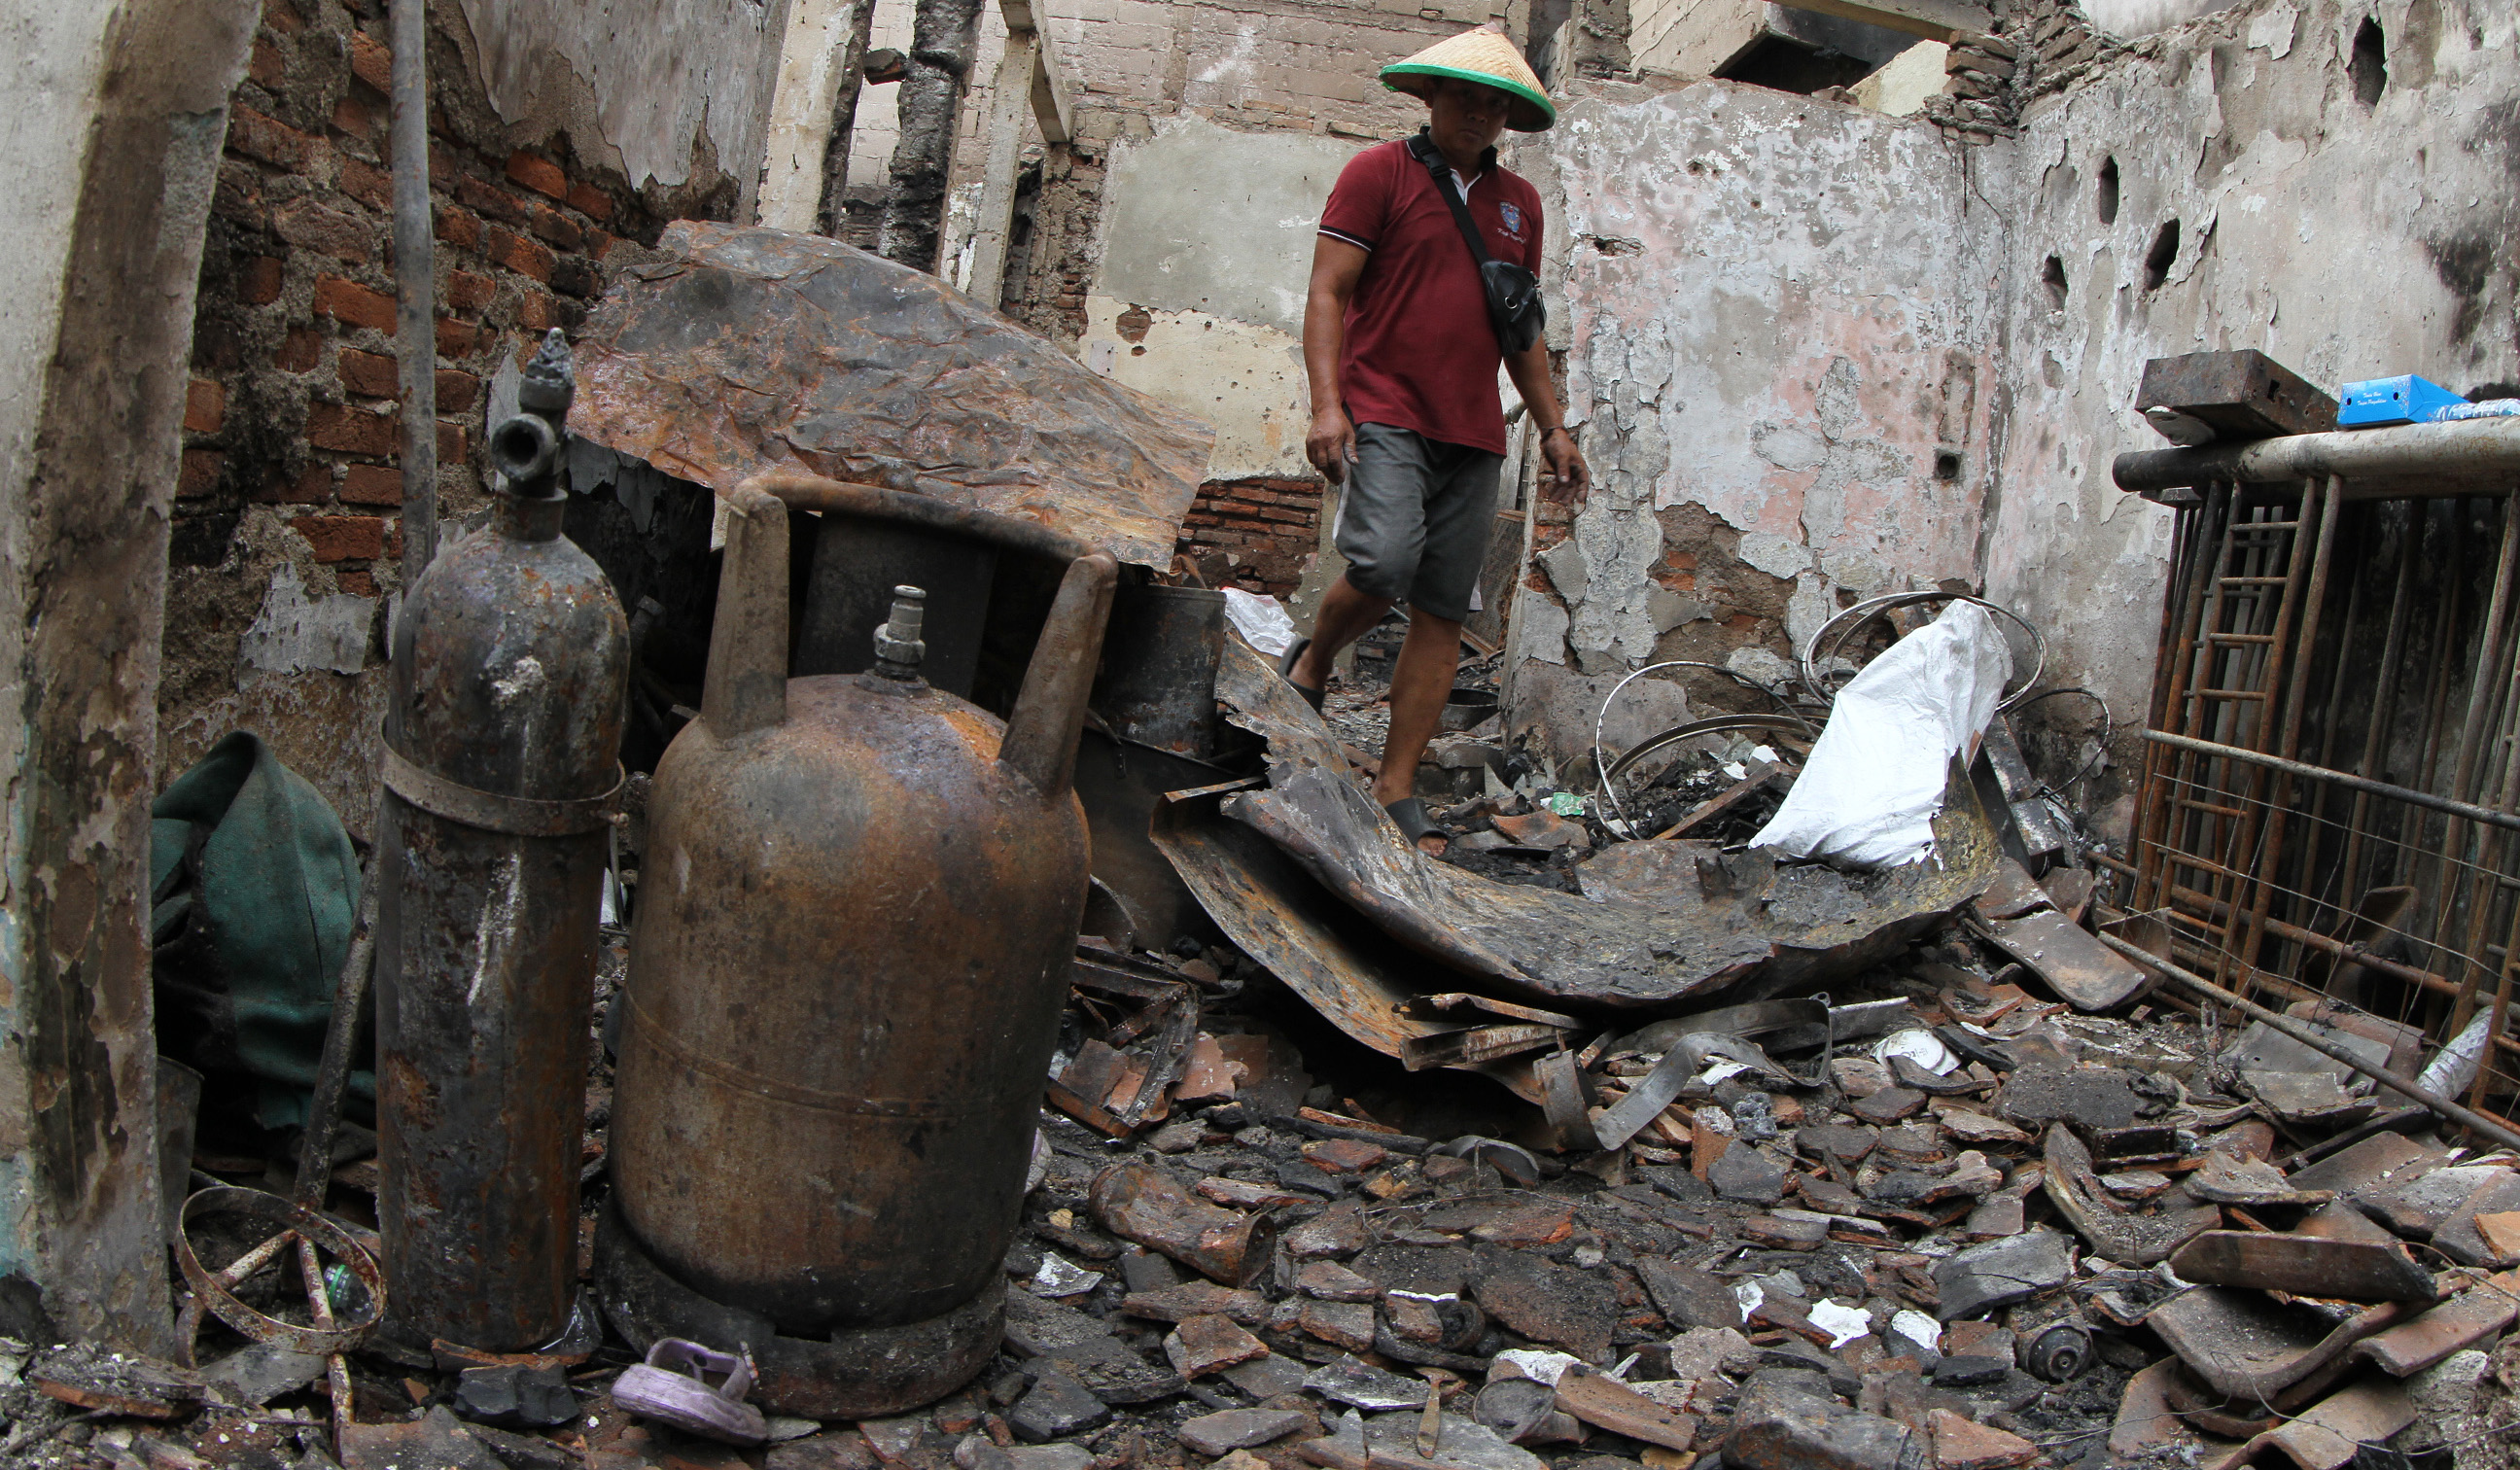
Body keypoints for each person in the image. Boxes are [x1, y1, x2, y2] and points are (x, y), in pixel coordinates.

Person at [1282, 26, 1591, 856]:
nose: (1479, 114)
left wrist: (1554, 428)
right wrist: (1326, 406)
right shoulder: (1377, 173)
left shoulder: (1522, 204)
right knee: (1382, 563)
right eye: (1465, 98)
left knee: (1443, 611)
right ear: (1431, 98)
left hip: (1474, 433)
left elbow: (1520, 330)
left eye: (1495, 104)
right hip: (1383, 409)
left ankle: (1396, 787)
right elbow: (1326, 293)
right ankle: (1312, 661)